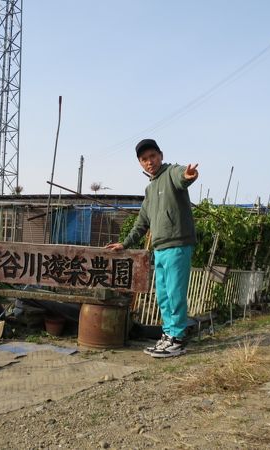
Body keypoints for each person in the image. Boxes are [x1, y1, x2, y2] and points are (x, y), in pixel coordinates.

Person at [106, 138, 198, 358]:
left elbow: (181, 177)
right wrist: (125, 243)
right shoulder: (150, 190)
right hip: (159, 249)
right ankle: (168, 335)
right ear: (140, 163)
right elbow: (141, 222)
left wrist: (187, 176)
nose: (150, 162)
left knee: (175, 294)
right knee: (164, 296)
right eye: (144, 159)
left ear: (161, 156)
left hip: (178, 244)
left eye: (153, 157)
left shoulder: (171, 173)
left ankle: (177, 339)